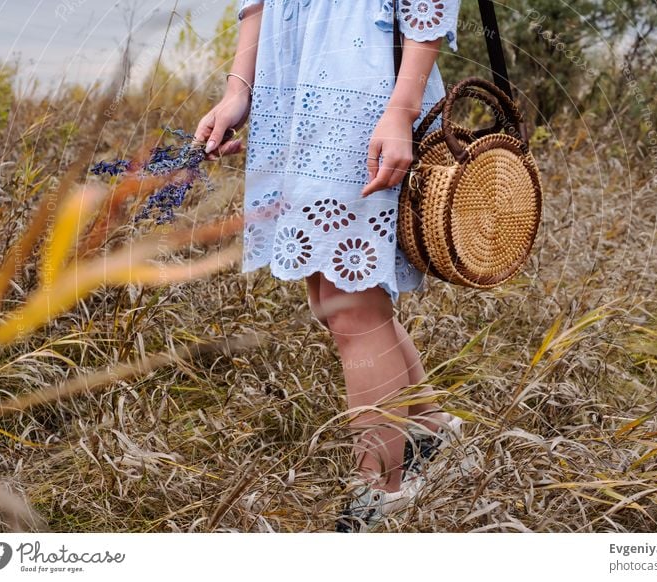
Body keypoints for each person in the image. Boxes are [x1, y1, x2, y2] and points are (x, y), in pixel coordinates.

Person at [194, 0, 464, 532]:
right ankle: (430, 432)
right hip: (291, 89)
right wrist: (236, 93)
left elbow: (428, 7)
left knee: (351, 308)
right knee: (332, 300)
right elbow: (258, 5)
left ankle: (378, 493)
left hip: (362, 93)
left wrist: (401, 111)